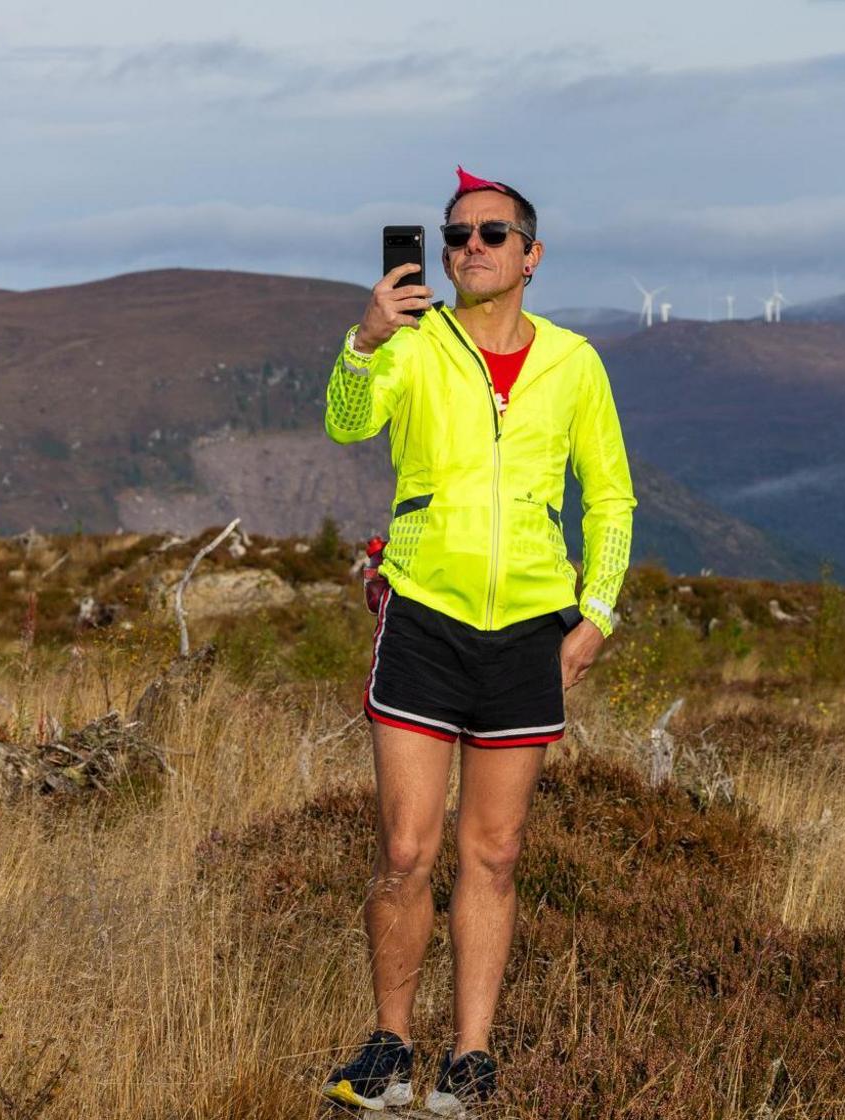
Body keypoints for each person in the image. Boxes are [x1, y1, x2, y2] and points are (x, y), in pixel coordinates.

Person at [318, 166, 635, 1115]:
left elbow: (611, 497)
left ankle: (471, 1057)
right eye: (456, 236)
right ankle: (390, 1046)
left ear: (531, 257)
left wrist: (597, 616)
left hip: (527, 635)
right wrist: (364, 341)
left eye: (491, 235)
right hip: (421, 617)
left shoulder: (574, 363)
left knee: (492, 855)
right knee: (406, 851)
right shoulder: (413, 345)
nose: (468, 249)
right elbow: (344, 425)